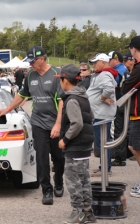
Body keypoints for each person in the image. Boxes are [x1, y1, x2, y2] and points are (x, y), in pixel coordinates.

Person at [0, 46, 65, 205]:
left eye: (32, 61)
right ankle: (46, 190)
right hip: (38, 122)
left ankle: (59, 181)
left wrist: (58, 124)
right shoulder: (30, 76)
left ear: (42, 59)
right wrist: (8, 108)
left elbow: (61, 101)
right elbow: (22, 96)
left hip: (55, 122)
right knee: (41, 158)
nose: (30, 65)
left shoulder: (56, 75)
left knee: (58, 157)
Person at [55, 64, 96, 224]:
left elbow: (77, 123)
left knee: (73, 181)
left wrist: (65, 140)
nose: (60, 82)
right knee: (84, 180)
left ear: (65, 80)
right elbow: (90, 116)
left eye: (60, 79)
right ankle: (88, 212)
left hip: (75, 147)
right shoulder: (83, 96)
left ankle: (77, 212)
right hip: (85, 146)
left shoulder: (71, 100)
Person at [86, 53, 118, 177]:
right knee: (102, 142)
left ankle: (105, 169)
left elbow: (109, 88)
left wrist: (103, 98)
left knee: (103, 142)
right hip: (100, 113)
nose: (93, 65)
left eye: (95, 62)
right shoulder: (103, 74)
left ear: (103, 62)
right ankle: (104, 167)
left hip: (101, 115)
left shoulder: (104, 74)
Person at [122, 35, 140, 197]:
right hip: (136, 114)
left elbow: (126, 86)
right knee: (132, 147)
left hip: (138, 115)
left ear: (134, 49)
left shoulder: (139, 68)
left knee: (135, 148)